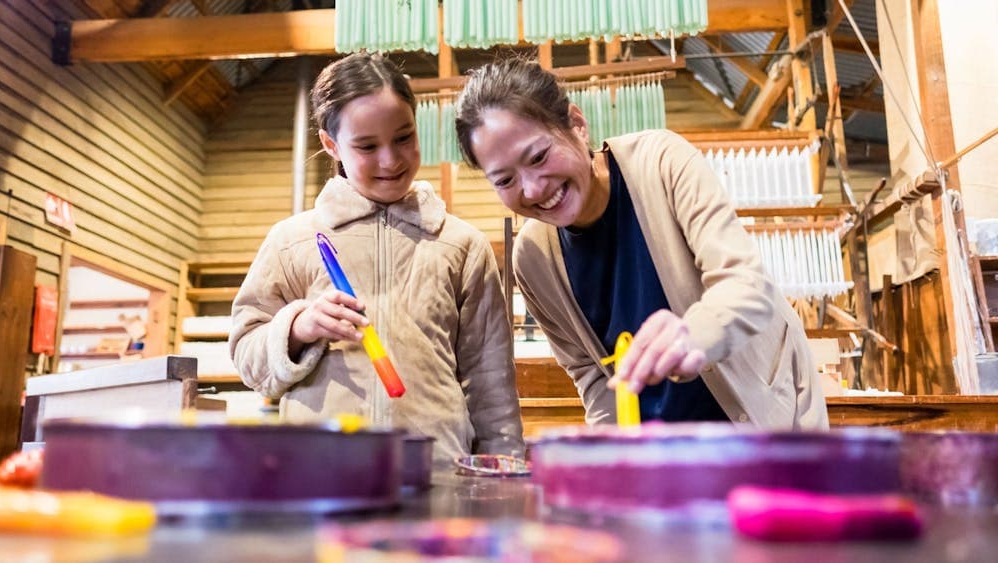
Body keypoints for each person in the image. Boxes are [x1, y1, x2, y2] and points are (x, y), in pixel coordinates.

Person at [454, 59, 828, 429]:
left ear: (577, 125)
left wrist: (692, 335)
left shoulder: (661, 162)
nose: (533, 189)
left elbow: (745, 285)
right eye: (504, 180)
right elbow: (592, 375)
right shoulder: (533, 258)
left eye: (538, 156)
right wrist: (612, 453)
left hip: (765, 421)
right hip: (664, 459)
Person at [230, 53, 525, 463]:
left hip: (435, 476)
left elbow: (491, 381)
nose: (391, 159)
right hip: (323, 474)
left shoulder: (461, 245)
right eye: (367, 146)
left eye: (404, 137)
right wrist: (298, 327)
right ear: (330, 144)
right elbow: (247, 355)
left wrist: (503, 467)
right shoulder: (291, 242)